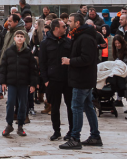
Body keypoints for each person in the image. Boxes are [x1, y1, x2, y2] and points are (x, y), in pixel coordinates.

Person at [60, 19, 102, 150]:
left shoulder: (85, 38)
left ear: (77, 23)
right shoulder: (81, 36)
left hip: (82, 79)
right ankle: (95, 136)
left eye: (70, 21)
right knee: (88, 107)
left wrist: (70, 61)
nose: (68, 23)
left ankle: (75, 138)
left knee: (76, 107)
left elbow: (86, 59)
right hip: (83, 78)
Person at [0, 30, 37, 137]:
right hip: (11, 82)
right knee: (10, 103)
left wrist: (33, 84)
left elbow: (33, 69)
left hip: (23, 83)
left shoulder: (28, 52)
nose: (19, 38)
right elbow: (3, 68)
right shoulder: (8, 51)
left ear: (24, 39)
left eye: (21, 36)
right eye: (18, 36)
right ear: (14, 38)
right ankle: (9, 124)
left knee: (23, 104)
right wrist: (3, 82)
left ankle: (20, 125)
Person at [39, 19, 73, 140]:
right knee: (54, 107)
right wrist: (45, 80)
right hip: (53, 80)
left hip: (67, 80)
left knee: (71, 107)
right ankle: (56, 131)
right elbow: (42, 63)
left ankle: (72, 131)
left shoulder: (68, 42)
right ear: (56, 28)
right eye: (64, 26)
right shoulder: (45, 43)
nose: (66, 28)